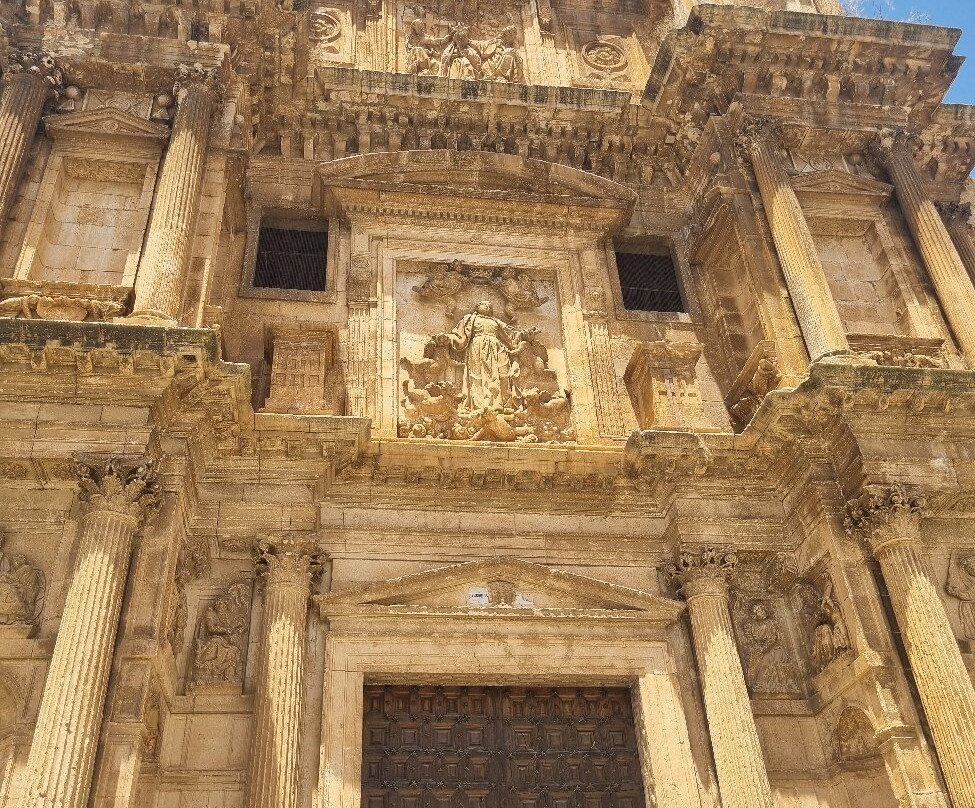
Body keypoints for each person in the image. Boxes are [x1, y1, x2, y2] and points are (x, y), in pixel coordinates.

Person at [436, 301, 529, 411]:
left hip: (496, 348)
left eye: (488, 305)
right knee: (477, 375)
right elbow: (458, 334)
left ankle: (500, 405)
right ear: (477, 307)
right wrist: (449, 338)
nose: (486, 305)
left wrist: (524, 335)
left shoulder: (496, 321)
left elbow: (511, 334)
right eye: (482, 304)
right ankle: (479, 405)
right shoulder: (469, 319)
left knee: (501, 375)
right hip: (477, 348)